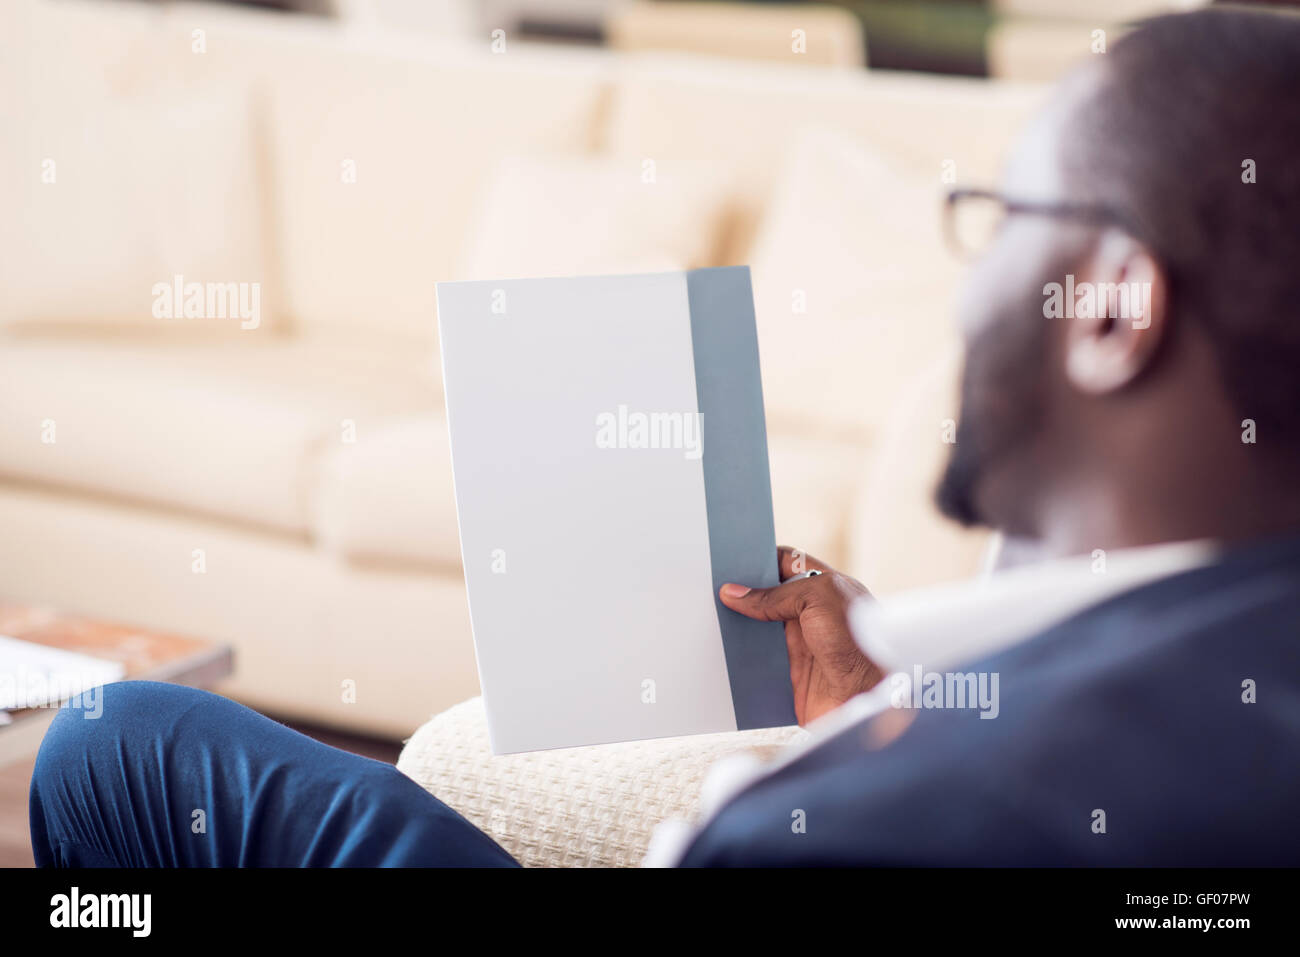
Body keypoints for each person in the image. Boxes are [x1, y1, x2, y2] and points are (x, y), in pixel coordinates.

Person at [28, 8, 1300, 866]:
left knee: (106, 750)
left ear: (1114, 307)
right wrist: (876, 699)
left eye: (995, 212)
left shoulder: (876, 823)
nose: (964, 283)